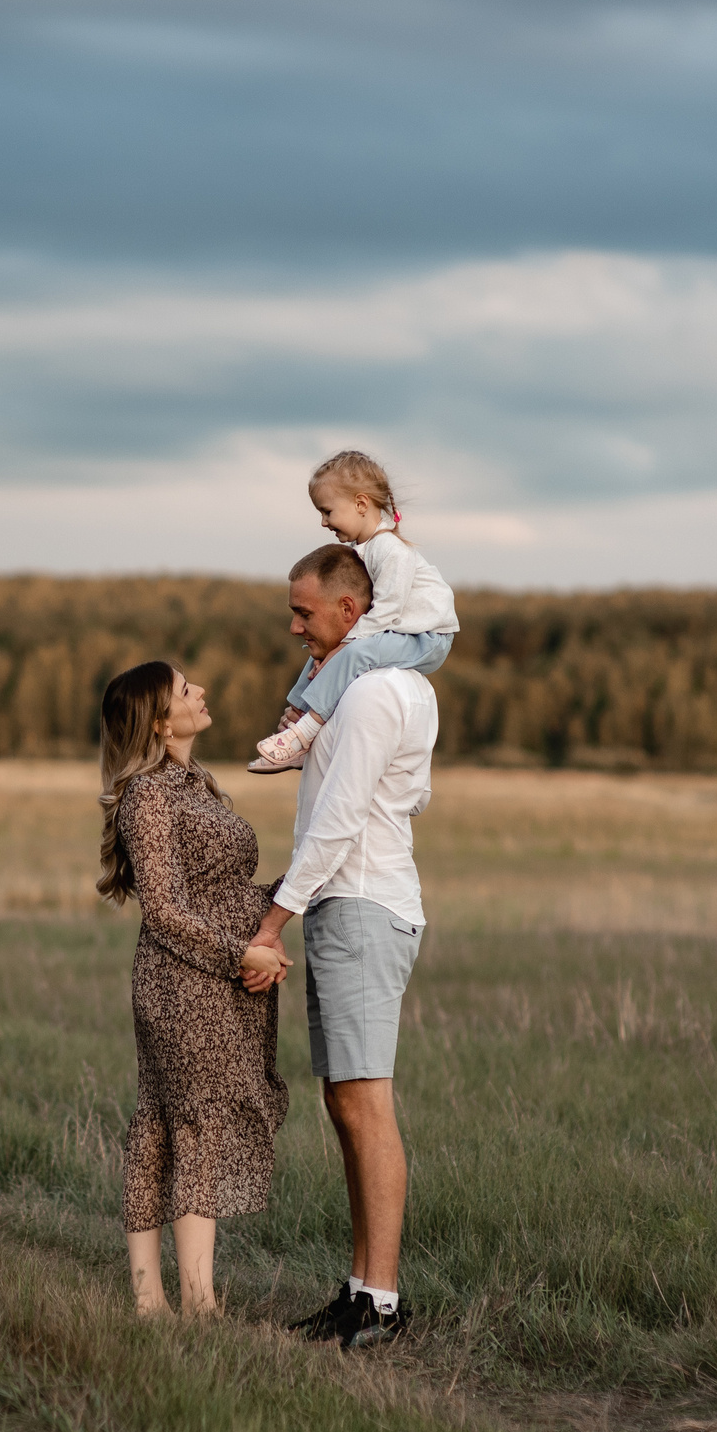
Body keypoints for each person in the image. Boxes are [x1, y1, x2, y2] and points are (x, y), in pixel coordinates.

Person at [247, 546, 438, 1350]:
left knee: (365, 1102)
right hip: (348, 901)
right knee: (344, 1101)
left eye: (303, 612)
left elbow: (340, 820)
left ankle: (382, 1304)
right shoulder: (366, 691)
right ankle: (361, 1289)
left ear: (352, 612)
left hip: (359, 904)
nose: (293, 626)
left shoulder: (375, 695)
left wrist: (270, 922)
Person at [97, 660, 293, 1318]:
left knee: (168, 1122)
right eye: (185, 689)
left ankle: (152, 1303)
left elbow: (222, 890)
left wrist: (285, 902)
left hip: (217, 981)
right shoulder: (150, 794)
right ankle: (195, 1303)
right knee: (189, 1123)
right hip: (183, 982)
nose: (202, 690)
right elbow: (165, 909)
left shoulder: (197, 785)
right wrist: (242, 949)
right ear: (158, 720)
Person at [248, 450, 457, 774]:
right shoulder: (363, 549)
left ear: (361, 504)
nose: (323, 521)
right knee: (323, 653)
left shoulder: (390, 549)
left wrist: (344, 648)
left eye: (328, 511)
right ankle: (295, 718)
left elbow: (386, 611)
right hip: (399, 632)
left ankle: (304, 735)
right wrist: (335, 652)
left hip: (427, 637)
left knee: (354, 652)